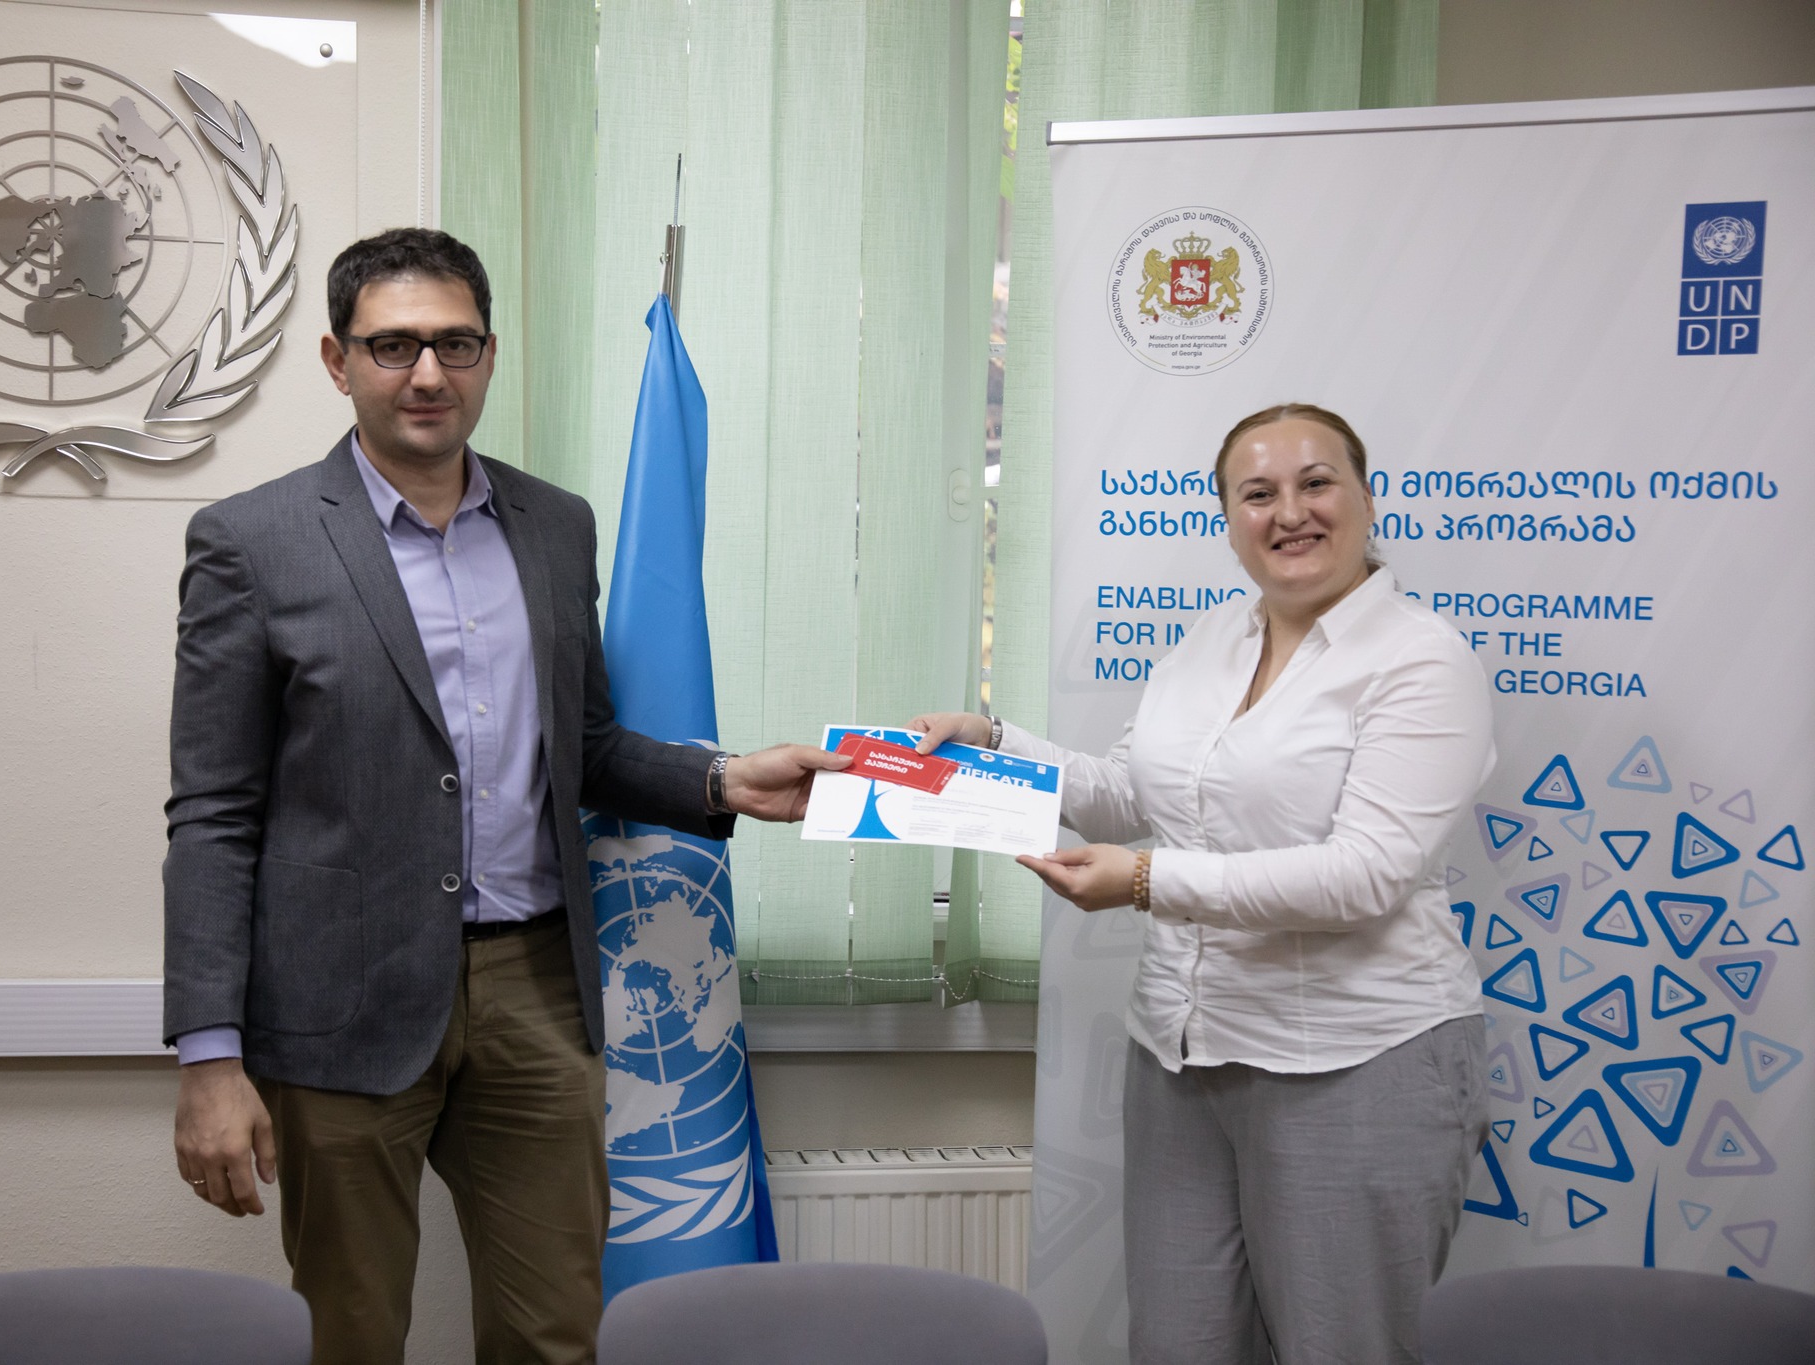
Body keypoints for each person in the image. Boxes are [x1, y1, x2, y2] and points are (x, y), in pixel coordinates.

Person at [163, 228, 845, 1365]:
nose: (428, 373)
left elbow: (583, 749)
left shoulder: (555, 526)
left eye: (455, 343)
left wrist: (722, 779)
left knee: (554, 1336)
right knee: (351, 1335)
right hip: (339, 1002)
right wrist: (208, 1059)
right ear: (338, 361)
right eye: (394, 346)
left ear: (489, 353)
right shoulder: (252, 542)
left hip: (536, 988)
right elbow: (214, 814)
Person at [915, 404, 1494, 1365]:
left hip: (1357, 1061)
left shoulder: (1422, 659)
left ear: (1365, 496)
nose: (1289, 512)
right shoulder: (1212, 639)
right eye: (1257, 493)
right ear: (1229, 521)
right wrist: (992, 747)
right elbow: (1125, 794)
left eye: (1316, 483)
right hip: (1183, 1058)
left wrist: (1147, 880)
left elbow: (1365, 875)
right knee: (1177, 1347)